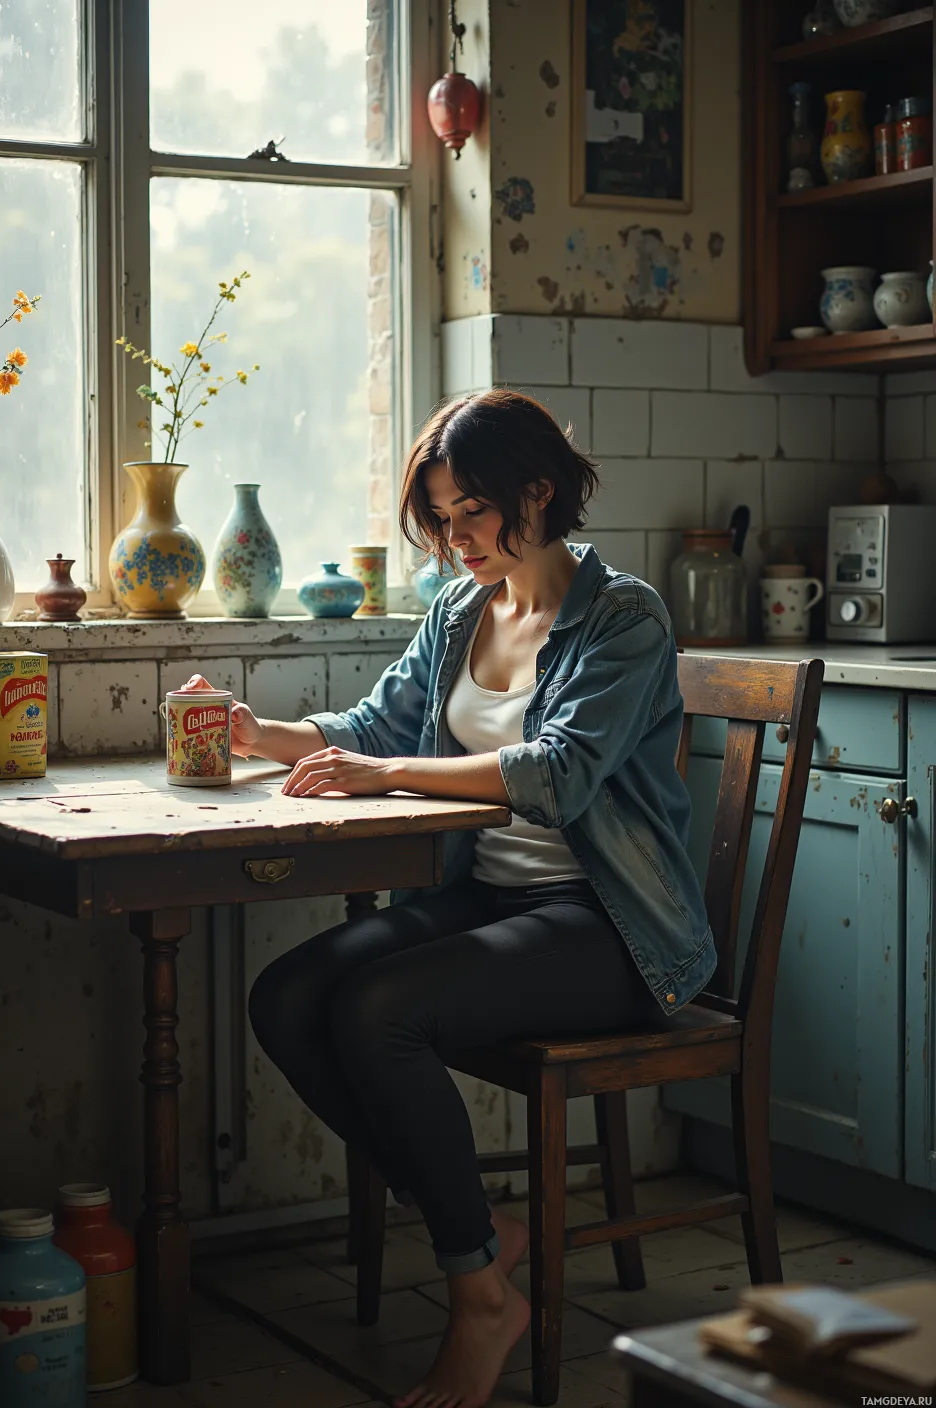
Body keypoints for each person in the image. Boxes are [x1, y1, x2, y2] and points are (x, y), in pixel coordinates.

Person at [181, 389, 714, 1408]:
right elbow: (379, 729)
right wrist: (257, 732)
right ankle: (478, 1228)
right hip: (497, 901)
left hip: (612, 928)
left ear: (536, 491)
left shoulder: (624, 617)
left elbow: (556, 775)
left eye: (472, 510)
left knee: (383, 1012)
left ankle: (479, 1295)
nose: (454, 537)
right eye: (440, 517)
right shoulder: (462, 609)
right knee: (288, 997)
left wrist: (385, 779)